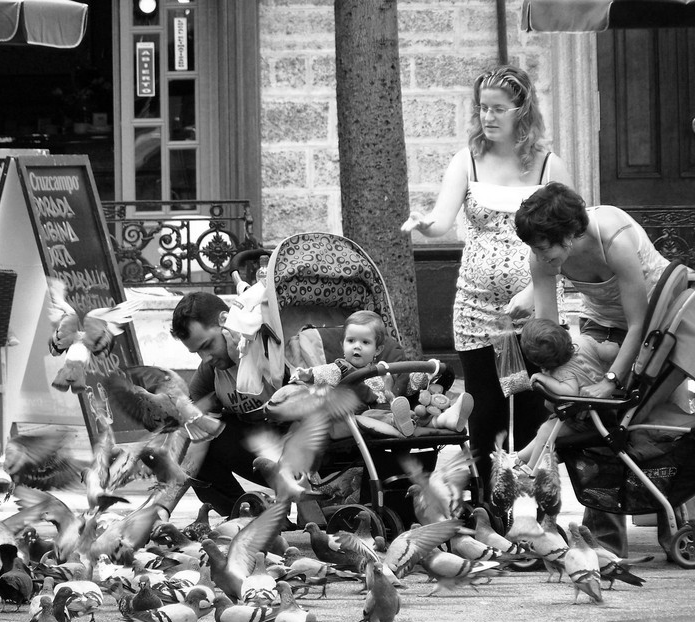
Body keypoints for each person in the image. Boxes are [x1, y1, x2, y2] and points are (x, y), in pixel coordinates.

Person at [401, 63, 573, 490]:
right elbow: (442, 221)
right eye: (482, 109)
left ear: (523, 109)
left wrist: (534, 292)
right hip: (476, 307)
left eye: (498, 108)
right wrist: (426, 225)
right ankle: (487, 507)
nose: (488, 117)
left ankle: (536, 503)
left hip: (534, 305)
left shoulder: (550, 166)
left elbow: (571, 238)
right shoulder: (467, 161)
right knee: (485, 409)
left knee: (534, 404)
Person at [515, 181, 673, 556]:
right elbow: (548, 330)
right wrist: (555, 382)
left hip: (655, 325)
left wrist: (611, 382)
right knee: (592, 422)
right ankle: (603, 541)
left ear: (569, 234)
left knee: (647, 424)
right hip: (599, 326)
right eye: (535, 248)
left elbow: (638, 324)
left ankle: (676, 528)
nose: (540, 256)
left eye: (545, 248)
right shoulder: (542, 252)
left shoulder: (614, 240)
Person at [170, 291, 282, 518]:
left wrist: (242, 361)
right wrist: (163, 509)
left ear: (225, 321)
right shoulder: (209, 372)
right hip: (260, 456)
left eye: (207, 345)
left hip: (306, 451)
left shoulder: (269, 345)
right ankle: (247, 517)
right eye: (197, 352)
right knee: (196, 438)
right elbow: (192, 440)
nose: (206, 357)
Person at [289, 310, 472, 435]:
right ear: (342, 345)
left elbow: (406, 387)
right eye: (351, 341)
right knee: (373, 416)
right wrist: (307, 374)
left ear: (377, 350)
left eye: (365, 342)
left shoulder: (385, 370)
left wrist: (425, 374)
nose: (357, 347)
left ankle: (448, 418)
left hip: (398, 409)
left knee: (421, 412)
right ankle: (399, 421)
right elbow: (324, 373)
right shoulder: (341, 368)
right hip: (364, 414)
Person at [516, 317, 619, 467]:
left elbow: (569, 392)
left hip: (592, 418)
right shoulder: (585, 341)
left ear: (537, 363)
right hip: (605, 408)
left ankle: (530, 467)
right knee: (547, 429)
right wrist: (612, 346)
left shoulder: (561, 372)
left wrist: (543, 378)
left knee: (546, 430)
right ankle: (519, 458)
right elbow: (609, 353)